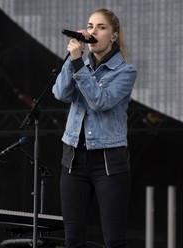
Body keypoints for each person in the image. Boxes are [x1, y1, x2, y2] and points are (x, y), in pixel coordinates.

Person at [52, 8, 137, 248]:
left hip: (109, 160)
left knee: (114, 239)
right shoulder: (81, 65)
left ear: (113, 35)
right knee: (73, 239)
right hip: (73, 158)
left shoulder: (125, 71)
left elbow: (100, 102)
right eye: (90, 26)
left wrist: (78, 64)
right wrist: (72, 61)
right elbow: (60, 93)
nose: (92, 32)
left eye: (101, 27)